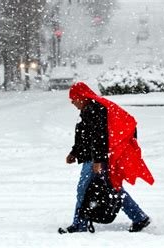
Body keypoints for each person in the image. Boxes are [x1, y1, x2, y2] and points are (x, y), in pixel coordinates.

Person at [58, 82, 154, 234]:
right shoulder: (88, 110)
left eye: (74, 98)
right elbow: (84, 137)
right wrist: (74, 152)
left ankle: (80, 224)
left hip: (96, 159)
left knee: (84, 189)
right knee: (112, 188)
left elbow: (100, 138)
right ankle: (139, 217)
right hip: (95, 157)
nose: (72, 102)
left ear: (82, 97)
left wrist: (98, 161)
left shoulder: (96, 110)